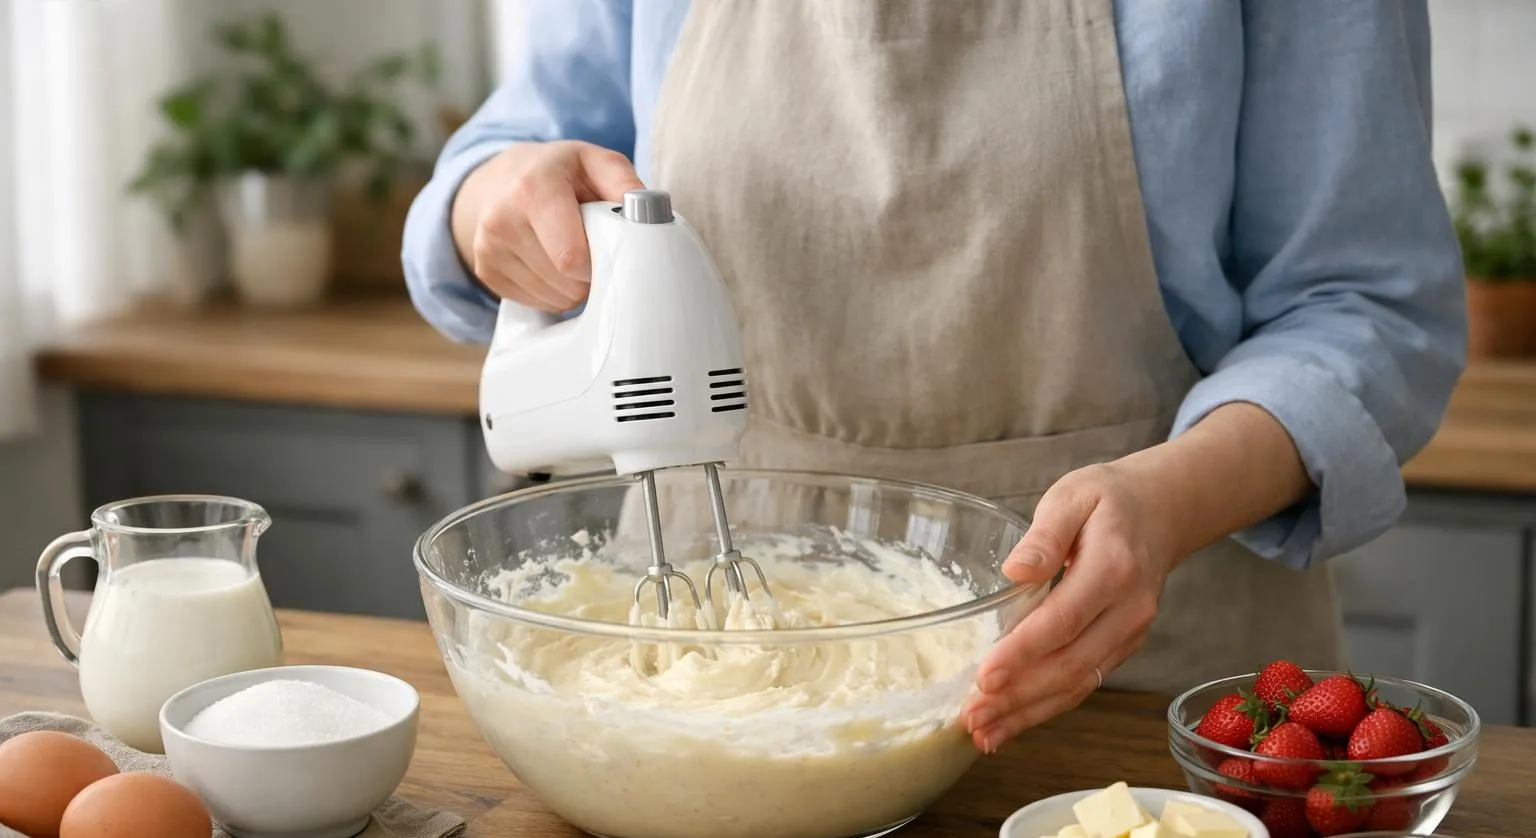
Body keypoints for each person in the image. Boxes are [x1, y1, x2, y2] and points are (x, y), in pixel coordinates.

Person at [402, 1, 1466, 755]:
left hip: (1136, 664)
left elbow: (1367, 302)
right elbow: (515, 146)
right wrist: (494, 200)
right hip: (683, 657)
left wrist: (1172, 498)